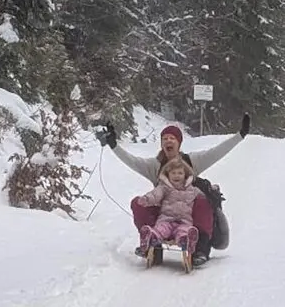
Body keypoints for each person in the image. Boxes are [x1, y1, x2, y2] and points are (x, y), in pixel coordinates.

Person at [97, 113, 250, 266]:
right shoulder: (154, 166)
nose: (168, 141)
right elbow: (132, 161)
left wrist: (240, 135)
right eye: (165, 139)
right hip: (163, 214)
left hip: (187, 215)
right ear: (161, 144)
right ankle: (152, 246)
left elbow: (216, 152)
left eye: (172, 138)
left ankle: (200, 250)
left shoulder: (192, 162)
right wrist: (113, 145)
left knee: (203, 201)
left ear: (179, 143)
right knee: (138, 203)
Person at [134, 157, 203, 256]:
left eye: (180, 173)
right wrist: (146, 199)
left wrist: (212, 190)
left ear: (185, 175)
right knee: (161, 229)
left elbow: (202, 196)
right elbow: (155, 195)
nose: (176, 176)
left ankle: (186, 240)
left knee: (184, 231)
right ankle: (150, 237)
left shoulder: (192, 189)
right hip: (166, 219)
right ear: (168, 174)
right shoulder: (164, 187)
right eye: (173, 173)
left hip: (184, 221)